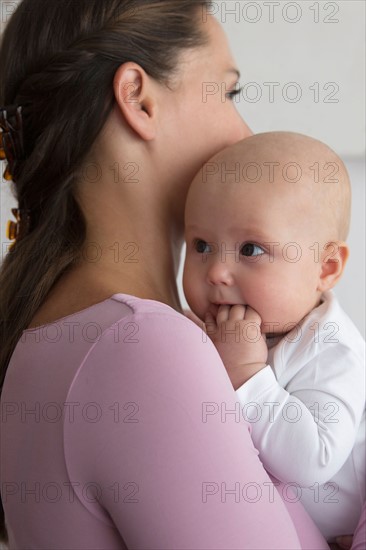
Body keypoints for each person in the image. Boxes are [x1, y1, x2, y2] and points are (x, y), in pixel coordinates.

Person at [0, 1, 331, 548]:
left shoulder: (70, 327)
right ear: (138, 99)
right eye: (228, 93)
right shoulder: (142, 346)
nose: (245, 132)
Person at [183, 131, 365, 546]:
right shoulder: (208, 331)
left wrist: (246, 374)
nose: (215, 272)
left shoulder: (332, 349)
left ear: (325, 268)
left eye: (249, 249)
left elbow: (314, 458)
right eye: (201, 245)